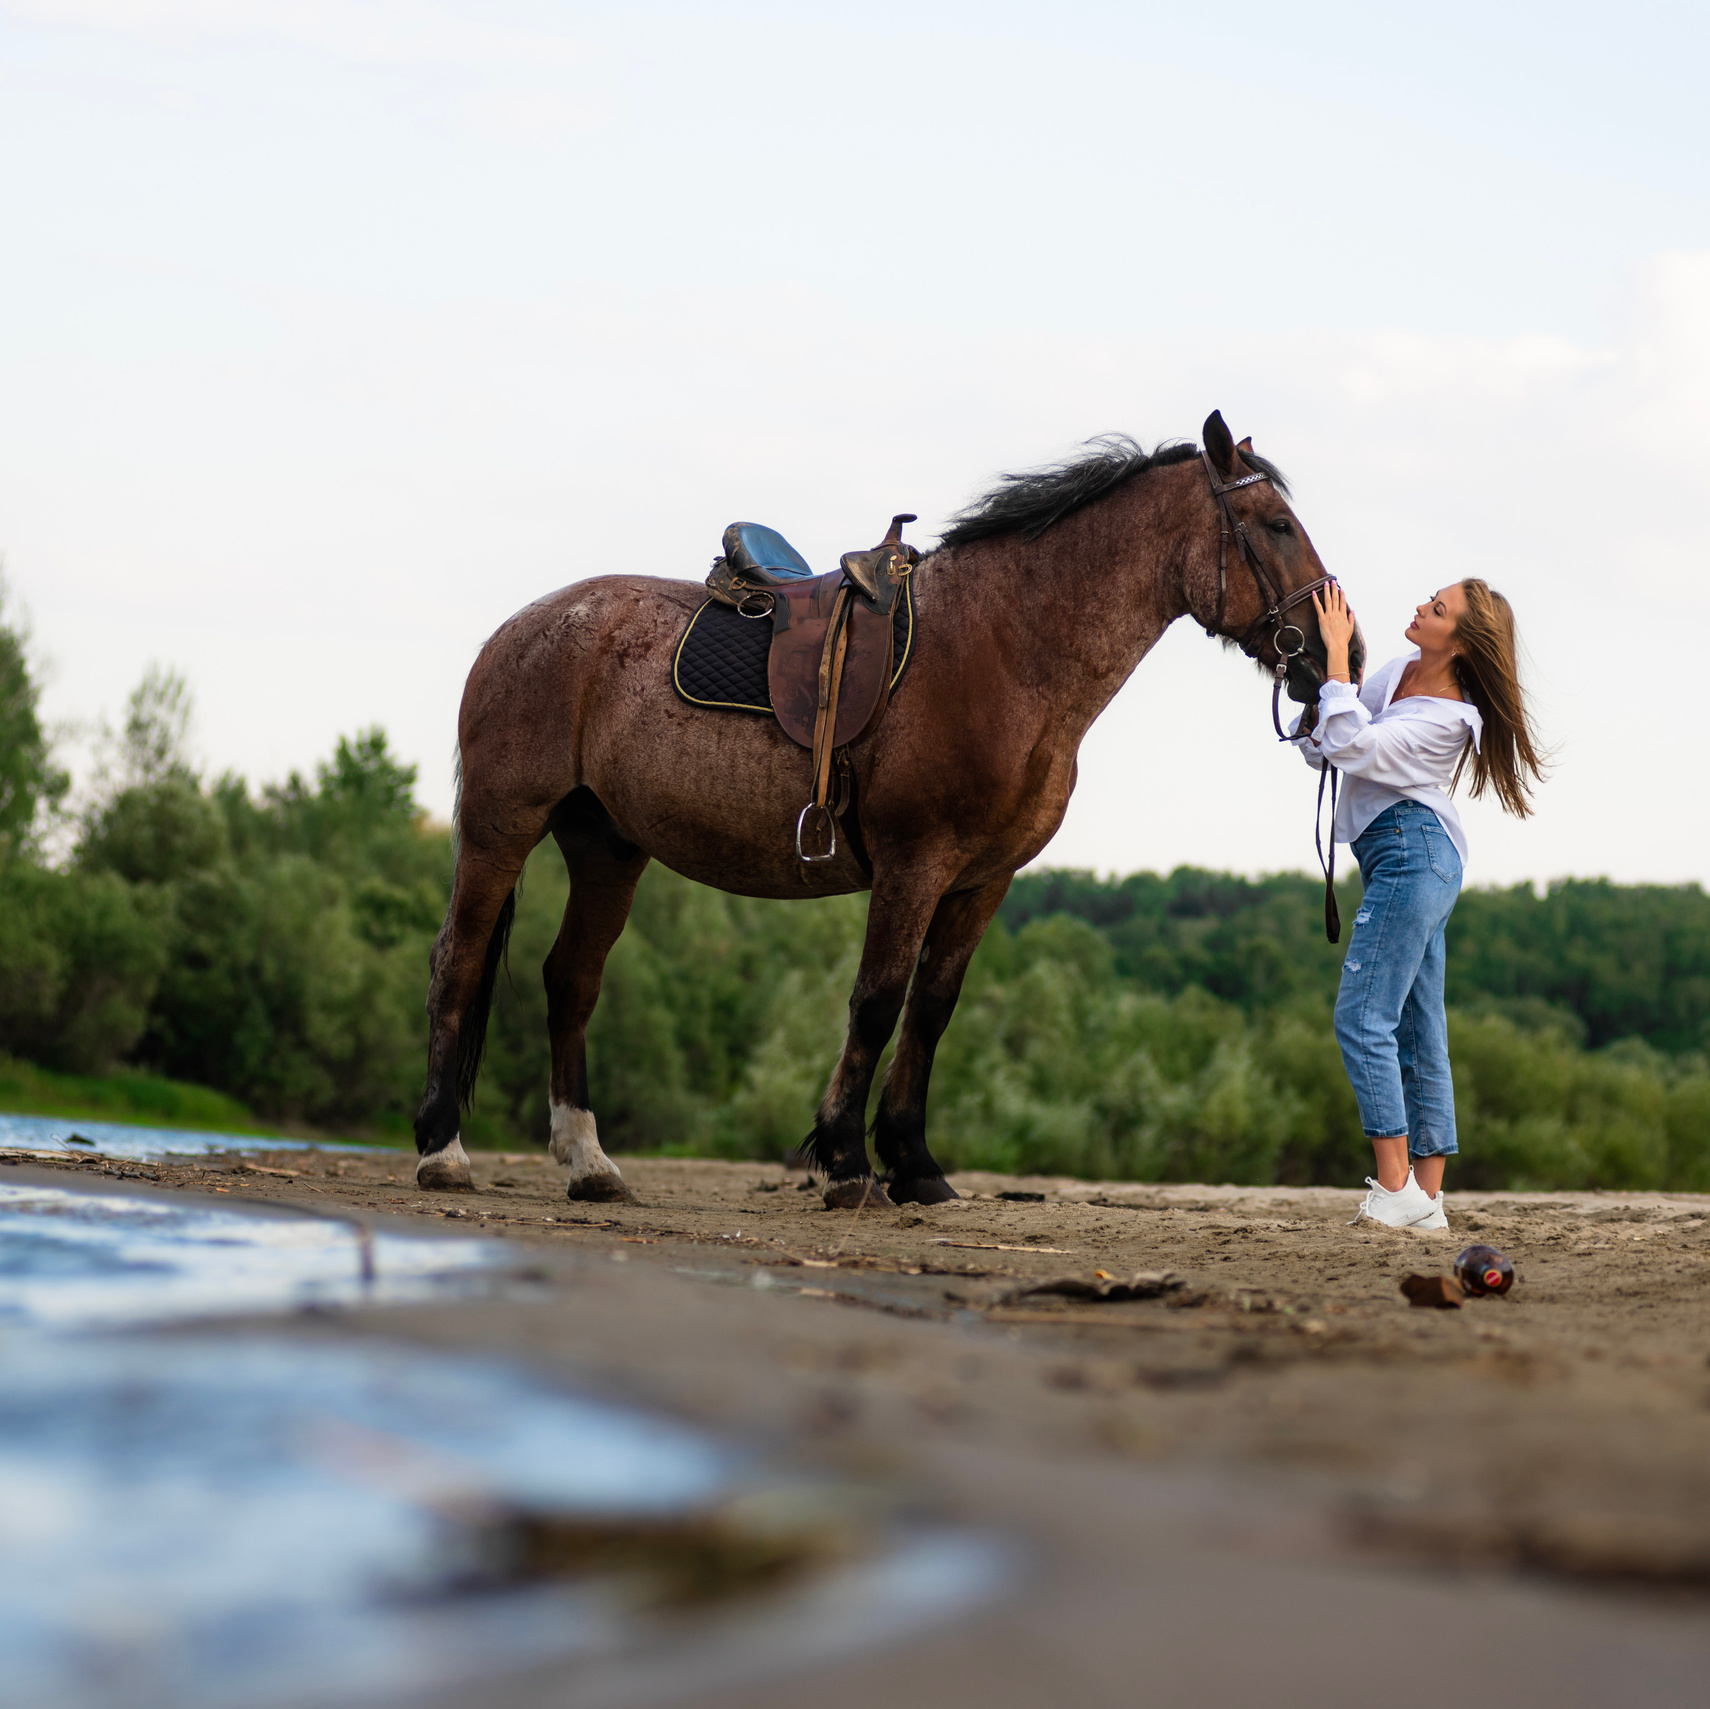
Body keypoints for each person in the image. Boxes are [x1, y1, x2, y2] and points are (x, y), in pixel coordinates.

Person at [1296, 579, 1545, 1230]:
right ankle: (1427, 1201)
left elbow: (1357, 747)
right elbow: (1326, 743)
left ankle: (1395, 1184)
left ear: (1461, 641)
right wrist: (1321, 684)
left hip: (1416, 853)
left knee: (1363, 1015)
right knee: (1418, 1026)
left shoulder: (1452, 718)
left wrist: (1336, 661)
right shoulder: (1402, 670)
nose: (1419, 608)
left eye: (1436, 609)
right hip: (1402, 856)